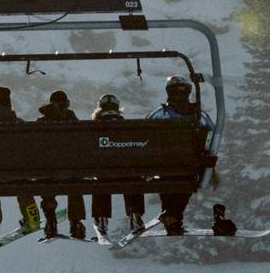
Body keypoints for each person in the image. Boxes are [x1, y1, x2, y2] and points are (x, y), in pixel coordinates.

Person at [147, 75, 215, 235]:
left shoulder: (158, 115)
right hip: (190, 165)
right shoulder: (199, 116)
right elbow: (212, 135)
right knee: (186, 182)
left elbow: (145, 138)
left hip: (163, 166)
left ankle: (171, 216)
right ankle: (173, 217)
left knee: (168, 181)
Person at [0, 87, 40, 243]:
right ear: (10, 105)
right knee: (23, 182)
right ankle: (32, 218)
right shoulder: (20, 124)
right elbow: (33, 150)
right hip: (17, 174)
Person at [91, 94, 147, 236]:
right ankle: (135, 214)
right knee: (133, 176)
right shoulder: (129, 128)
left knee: (100, 179)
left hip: (104, 174)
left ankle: (101, 217)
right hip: (127, 172)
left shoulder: (91, 128)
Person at [35, 90, 87, 239]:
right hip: (70, 172)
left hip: (47, 173)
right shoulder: (72, 120)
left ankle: (51, 222)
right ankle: (75, 223)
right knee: (75, 185)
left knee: (45, 182)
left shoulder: (41, 123)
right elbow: (83, 147)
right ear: (66, 104)